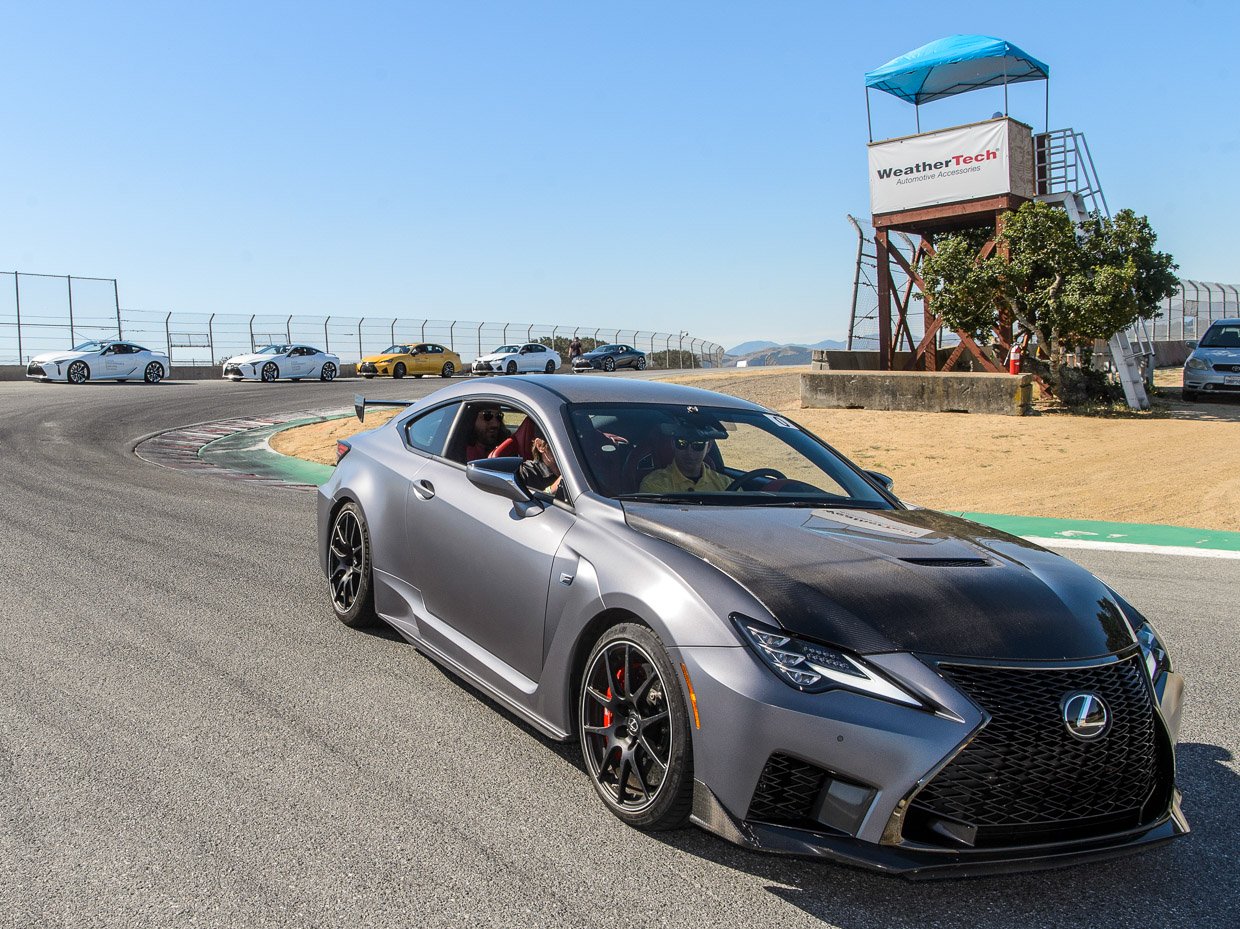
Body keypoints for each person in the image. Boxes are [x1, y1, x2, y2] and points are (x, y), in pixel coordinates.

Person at [639, 431, 730, 493]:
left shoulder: (726, 484)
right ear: (673, 444)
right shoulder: (655, 484)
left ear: (709, 446)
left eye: (698, 445)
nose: (689, 452)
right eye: (682, 443)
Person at [519, 429, 563, 497]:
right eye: (560, 444)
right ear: (540, 445)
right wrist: (552, 490)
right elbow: (523, 504)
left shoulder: (582, 469)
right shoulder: (526, 473)